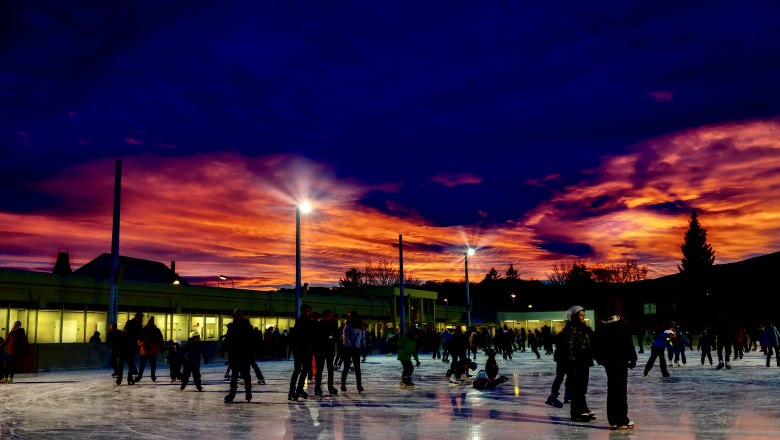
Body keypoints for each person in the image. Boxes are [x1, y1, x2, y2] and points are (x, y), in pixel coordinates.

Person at [593, 296, 637, 430]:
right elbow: (628, 343)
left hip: (609, 362)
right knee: (620, 390)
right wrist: (632, 358)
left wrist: (601, 359)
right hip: (620, 361)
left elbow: (595, 345)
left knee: (612, 390)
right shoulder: (621, 323)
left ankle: (614, 419)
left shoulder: (602, 325)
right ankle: (622, 419)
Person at [558, 305, 595, 422]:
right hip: (575, 362)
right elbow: (569, 348)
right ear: (573, 316)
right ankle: (575, 411)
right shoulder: (570, 330)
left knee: (583, 387)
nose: (583, 317)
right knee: (576, 387)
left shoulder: (585, 328)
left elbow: (592, 343)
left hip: (585, 361)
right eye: (580, 315)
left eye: (583, 314)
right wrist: (571, 364)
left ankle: (583, 407)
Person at [220, 308, 254, 402]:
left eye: (239, 316)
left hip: (244, 354)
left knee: (246, 375)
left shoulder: (247, 326)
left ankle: (248, 393)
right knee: (234, 375)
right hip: (234, 354)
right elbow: (228, 339)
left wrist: (252, 352)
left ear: (242, 316)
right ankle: (232, 393)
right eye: (235, 316)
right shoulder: (232, 327)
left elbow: (252, 341)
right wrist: (223, 350)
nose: (237, 317)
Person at [289, 304, 316, 401]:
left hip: (307, 350)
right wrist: (301, 347)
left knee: (304, 370)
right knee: (297, 370)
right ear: (303, 312)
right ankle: (292, 391)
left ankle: (299, 389)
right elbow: (298, 336)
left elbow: (312, 335)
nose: (309, 313)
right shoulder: (300, 322)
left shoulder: (310, 322)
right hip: (300, 350)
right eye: (307, 311)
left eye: (310, 311)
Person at [314, 309, 340, 396]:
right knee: (320, 369)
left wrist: (331, 337)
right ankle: (317, 387)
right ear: (325, 315)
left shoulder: (334, 324)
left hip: (330, 349)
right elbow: (318, 335)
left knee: (330, 368)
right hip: (320, 349)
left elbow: (336, 335)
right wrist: (328, 337)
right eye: (330, 315)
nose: (331, 317)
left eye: (332, 315)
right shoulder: (320, 324)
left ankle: (330, 387)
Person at [340, 310, 366, 393]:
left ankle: (359, 384)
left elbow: (362, 338)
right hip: (348, 349)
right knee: (346, 367)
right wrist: (350, 346)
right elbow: (345, 339)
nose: (349, 317)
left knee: (357, 368)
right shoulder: (347, 326)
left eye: (351, 316)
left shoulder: (360, 327)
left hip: (356, 349)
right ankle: (343, 383)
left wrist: (364, 348)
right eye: (348, 316)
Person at [117, 312, 144, 385]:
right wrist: (136, 338)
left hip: (128, 345)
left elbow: (140, 335)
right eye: (141, 318)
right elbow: (127, 334)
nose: (142, 319)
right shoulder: (133, 324)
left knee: (128, 363)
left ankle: (124, 378)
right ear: (138, 317)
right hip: (127, 345)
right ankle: (125, 378)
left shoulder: (136, 324)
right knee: (128, 363)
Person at [135, 316, 164, 382]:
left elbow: (160, 340)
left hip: (148, 350)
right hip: (148, 350)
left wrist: (142, 344)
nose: (150, 322)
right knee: (148, 364)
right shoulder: (154, 330)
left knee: (146, 364)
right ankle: (150, 375)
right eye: (150, 321)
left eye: (151, 321)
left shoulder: (146, 330)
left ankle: (143, 376)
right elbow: (160, 340)